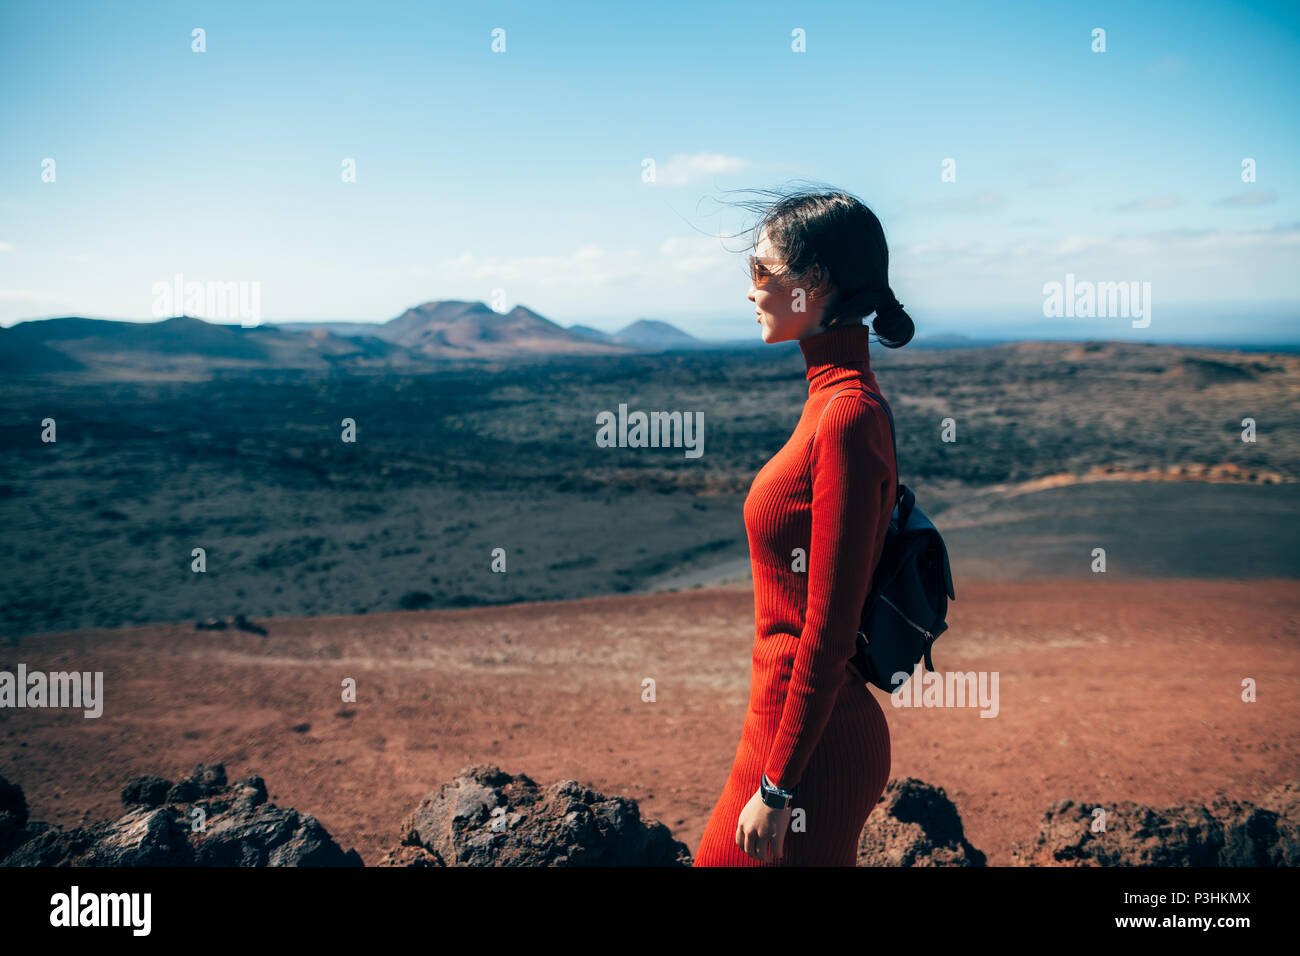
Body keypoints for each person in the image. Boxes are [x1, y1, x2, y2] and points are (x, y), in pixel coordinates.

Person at [693, 187, 915, 866]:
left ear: (813, 282)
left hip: (810, 750)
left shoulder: (846, 416)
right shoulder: (832, 402)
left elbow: (826, 626)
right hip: (784, 730)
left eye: (761, 270)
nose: (751, 289)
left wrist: (779, 786)